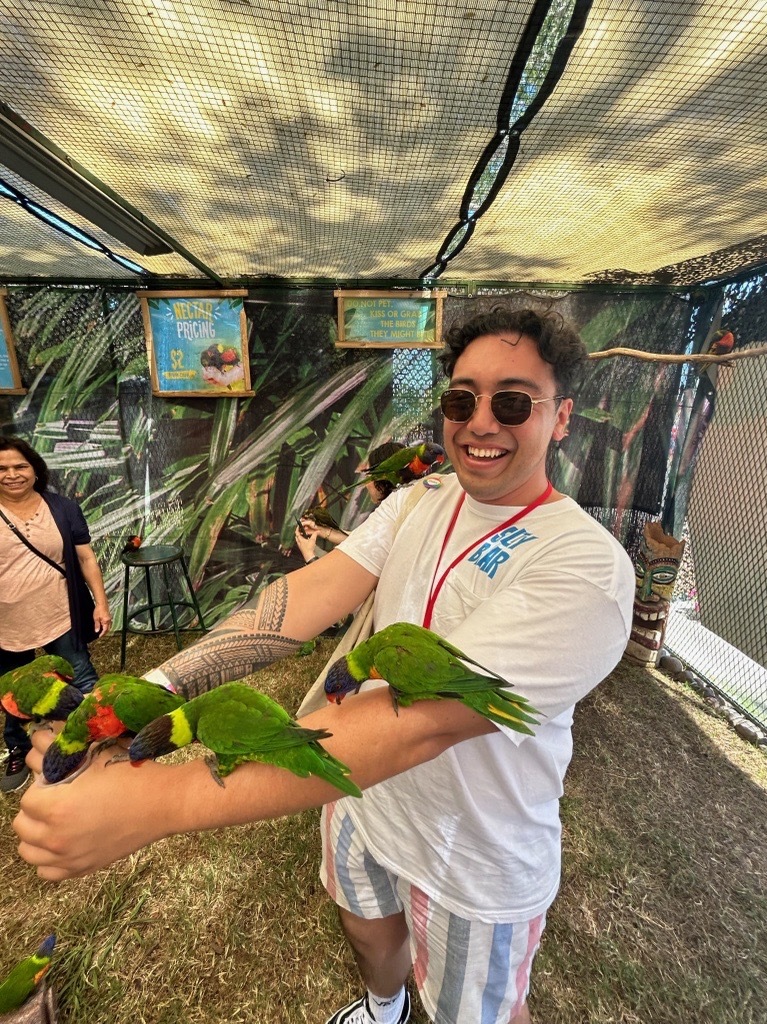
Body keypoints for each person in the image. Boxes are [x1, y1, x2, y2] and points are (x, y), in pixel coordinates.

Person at [13, 306, 635, 1024]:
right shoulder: (420, 498)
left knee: (479, 1012)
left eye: (513, 401)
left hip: (473, 844)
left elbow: (417, 729)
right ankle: (383, 1005)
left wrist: (157, 804)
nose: (480, 421)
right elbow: (308, 595)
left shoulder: (584, 567)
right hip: (356, 794)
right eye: (460, 399)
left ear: (561, 418)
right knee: (366, 923)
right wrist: (144, 699)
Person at [0, 436, 111, 792]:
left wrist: (101, 602)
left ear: (35, 470)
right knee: (15, 694)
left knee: (82, 679)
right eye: (2, 469)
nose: (12, 474)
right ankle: (18, 748)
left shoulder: (62, 508)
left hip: (59, 614)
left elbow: (86, 558)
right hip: (6, 625)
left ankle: (98, 742)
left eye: (20, 466)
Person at [294, 441, 406, 565]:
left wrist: (309, 554)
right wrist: (322, 531)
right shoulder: (400, 512)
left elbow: (338, 581)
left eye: (368, 476)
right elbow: (365, 539)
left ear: (381, 478)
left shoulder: (389, 522)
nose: (365, 483)